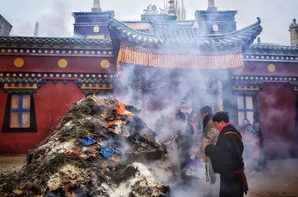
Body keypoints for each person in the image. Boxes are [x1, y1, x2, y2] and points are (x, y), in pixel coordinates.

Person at [205, 112, 248, 197]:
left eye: (216, 124)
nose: (216, 127)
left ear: (222, 122)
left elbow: (226, 155)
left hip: (231, 177)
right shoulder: (231, 131)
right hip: (232, 174)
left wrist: (210, 149)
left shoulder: (228, 135)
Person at [200, 106, 218, 184]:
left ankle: (214, 185)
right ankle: (213, 183)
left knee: (212, 167)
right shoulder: (212, 120)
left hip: (212, 147)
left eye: (202, 114)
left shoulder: (210, 121)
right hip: (212, 147)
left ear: (206, 113)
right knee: (211, 167)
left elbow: (209, 136)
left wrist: (202, 147)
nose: (201, 116)